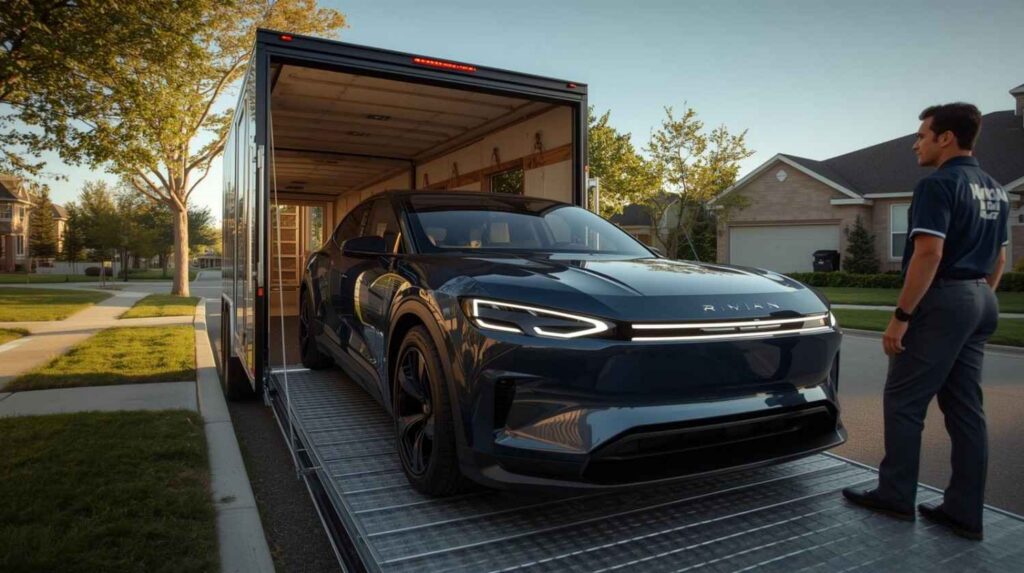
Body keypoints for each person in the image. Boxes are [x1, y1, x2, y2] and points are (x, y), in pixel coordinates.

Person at [841, 102, 1009, 541]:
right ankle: (963, 511)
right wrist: (976, 298)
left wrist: (901, 316)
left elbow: (928, 253)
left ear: (945, 138)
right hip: (980, 297)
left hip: (944, 299)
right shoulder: (996, 188)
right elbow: (1001, 256)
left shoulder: (938, 185)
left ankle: (895, 495)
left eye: (921, 135)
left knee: (904, 401)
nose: (916, 143)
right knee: (966, 409)